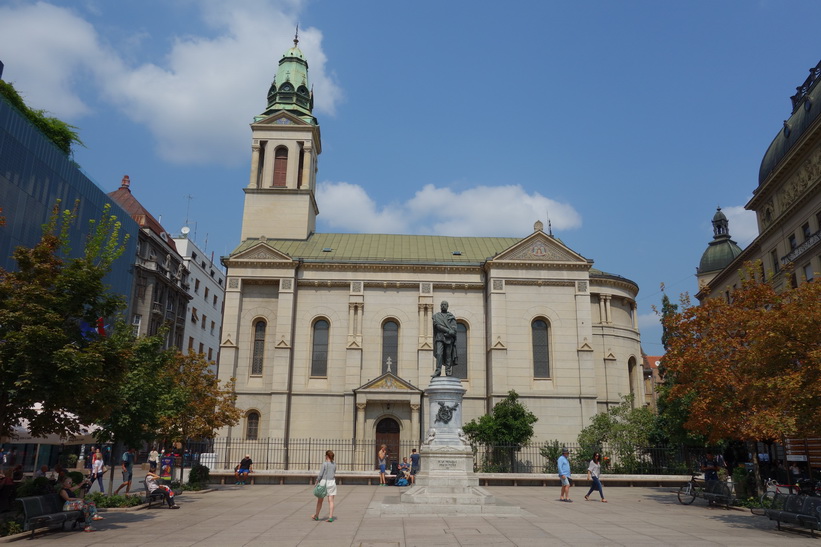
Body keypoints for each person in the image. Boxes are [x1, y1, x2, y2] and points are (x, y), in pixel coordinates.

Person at [431, 300, 458, 377]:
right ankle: (438, 371)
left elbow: (454, 328)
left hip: (449, 338)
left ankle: (448, 371)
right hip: (439, 337)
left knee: (448, 355)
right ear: (440, 306)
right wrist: (448, 330)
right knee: (439, 353)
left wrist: (451, 332)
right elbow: (437, 326)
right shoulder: (436, 316)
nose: (443, 306)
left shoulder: (451, 316)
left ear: (447, 306)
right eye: (442, 304)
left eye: (445, 304)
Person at [310, 450, 337, 523]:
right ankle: (330, 517)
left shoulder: (324, 464)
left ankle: (316, 515)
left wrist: (316, 481)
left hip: (324, 482)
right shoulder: (334, 464)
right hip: (332, 482)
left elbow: (321, 474)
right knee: (331, 501)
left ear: (327, 456)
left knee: (320, 500)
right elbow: (334, 472)